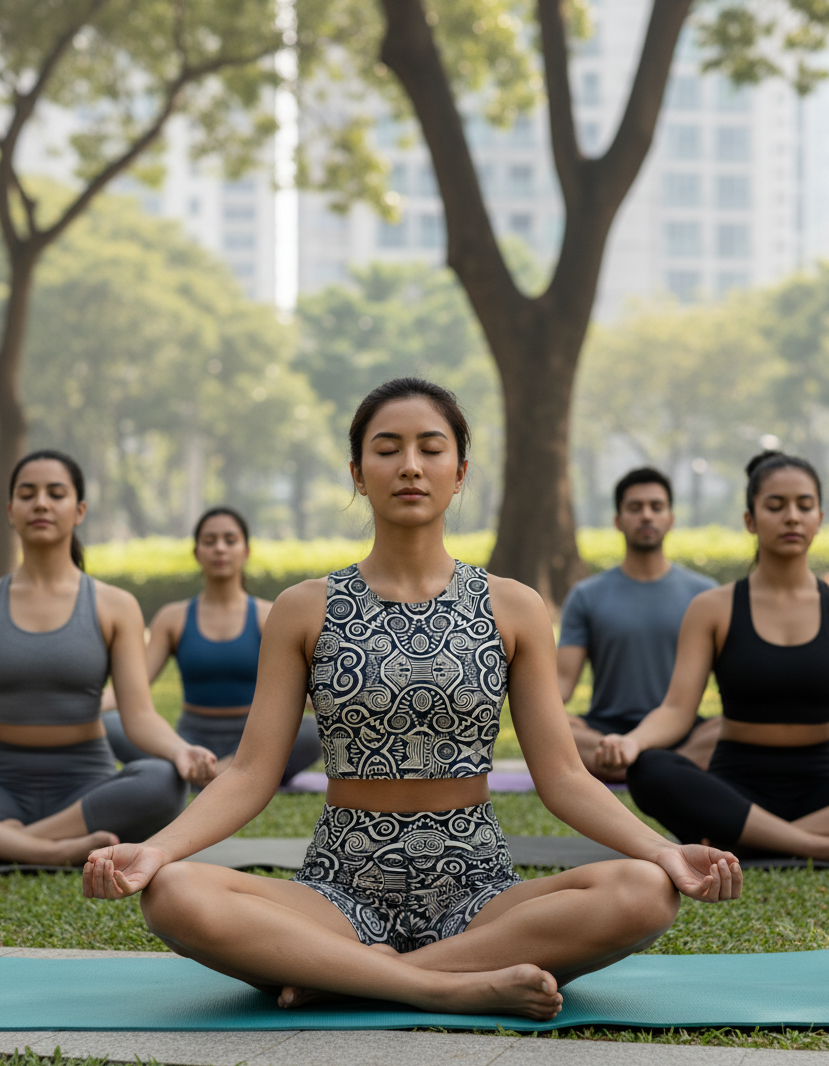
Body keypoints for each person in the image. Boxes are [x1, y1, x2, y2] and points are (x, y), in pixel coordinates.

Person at [84, 379, 740, 1022]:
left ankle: (346, 978)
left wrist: (661, 851)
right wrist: (158, 851)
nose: (409, 466)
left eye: (430, 448)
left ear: (458, 471)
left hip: (479, 892)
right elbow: (253, 772)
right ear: (356, 472)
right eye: (386, 448)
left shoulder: (511, 607)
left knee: (643, 892)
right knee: (174, 893)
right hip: (338, 890)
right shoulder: (302, 610)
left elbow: (564, 775)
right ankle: (448, 987)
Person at [597, 451, 829, 860]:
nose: (792, 517)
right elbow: (676, 710)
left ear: (819, 518)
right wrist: (631, 743)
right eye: (775, 506)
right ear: (750, 520)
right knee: (652, 770)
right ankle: (811, 846)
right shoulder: (714, 607)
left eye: (804, 506)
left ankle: (747, 843)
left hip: (817, 784)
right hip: (737, 788)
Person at [0, 450, 216, 867]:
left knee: (163, 779)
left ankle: (17, 845)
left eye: (55, 493)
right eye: (28, 494)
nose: (41, 503)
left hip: (84, 785)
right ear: (11, 511)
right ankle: (55, 852)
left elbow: (138, 714)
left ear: (79, 510)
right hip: (4, 781)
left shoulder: (114, 605)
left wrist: (180, 750)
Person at [102, 507, 321, 785]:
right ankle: (215, 772)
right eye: (209, 541)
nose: (220, 548)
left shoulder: (270, 616)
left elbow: (295, 689)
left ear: (246, 551)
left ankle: (218, 773)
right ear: (196, 552)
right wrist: (87, 706)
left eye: (230, 540)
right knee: (110, 724)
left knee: (313, 731)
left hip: (254, 741)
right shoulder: (173, 618)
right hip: (187, 741)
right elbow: (133, 685)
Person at [558, 467, 719, 781]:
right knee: (557, 728)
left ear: (670, 518)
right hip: (606, 733)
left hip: (684, 729)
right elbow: (561, 682)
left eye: (656, 507)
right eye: (635, 508)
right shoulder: (586, 595)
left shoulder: (706, 595)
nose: (647, 516)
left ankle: (633, 766)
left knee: (731, 727)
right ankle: (668, 768)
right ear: (618, 520)